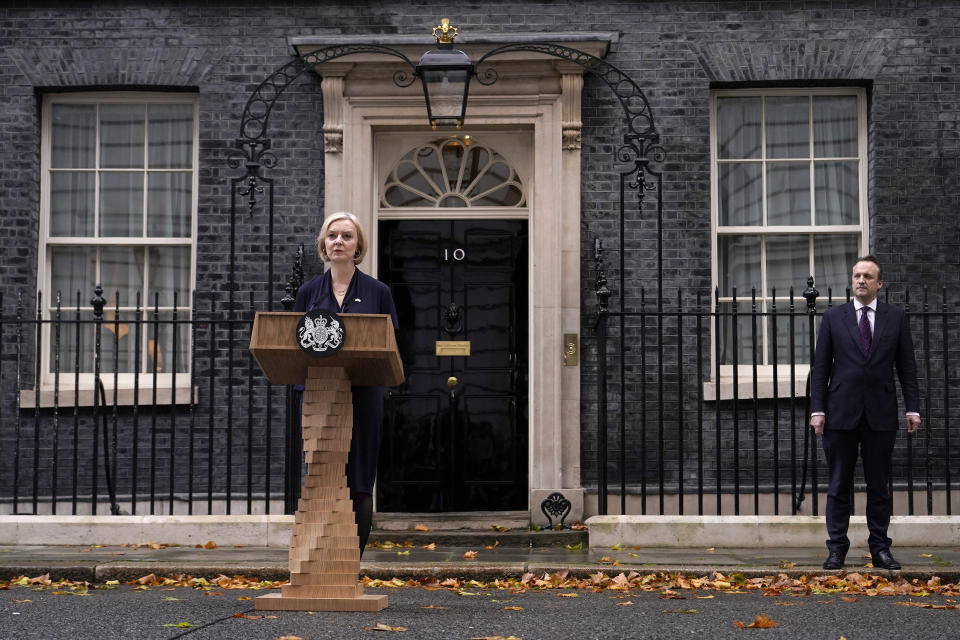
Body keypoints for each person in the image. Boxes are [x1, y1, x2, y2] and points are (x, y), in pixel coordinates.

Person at [294, 211, 399, 557]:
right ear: (324, 245)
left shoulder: (378, 292)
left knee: (358, 480)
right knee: (321, 479)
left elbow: (389, 343)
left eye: (346, 236)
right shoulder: (309, 292)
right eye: (332, 236)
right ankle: (321, 561)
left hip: (364, 395)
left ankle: (350, 560)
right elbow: (294, 345)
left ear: (358, 246)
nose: (338, 241)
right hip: (319, 397)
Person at [810, 255, 920, 571]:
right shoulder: (833, 317)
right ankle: (836, 549)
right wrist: (817, 409)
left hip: (881, 414)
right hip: (839, 413)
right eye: (857, 275)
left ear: (879, 283)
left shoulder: (896, 318)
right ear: (852, 280)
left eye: (868, 276)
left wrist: (913, 408)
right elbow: (821, 368)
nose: (861, 280)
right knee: (838, 484)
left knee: (879, 486)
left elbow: (907, 367)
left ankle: (880, 548)